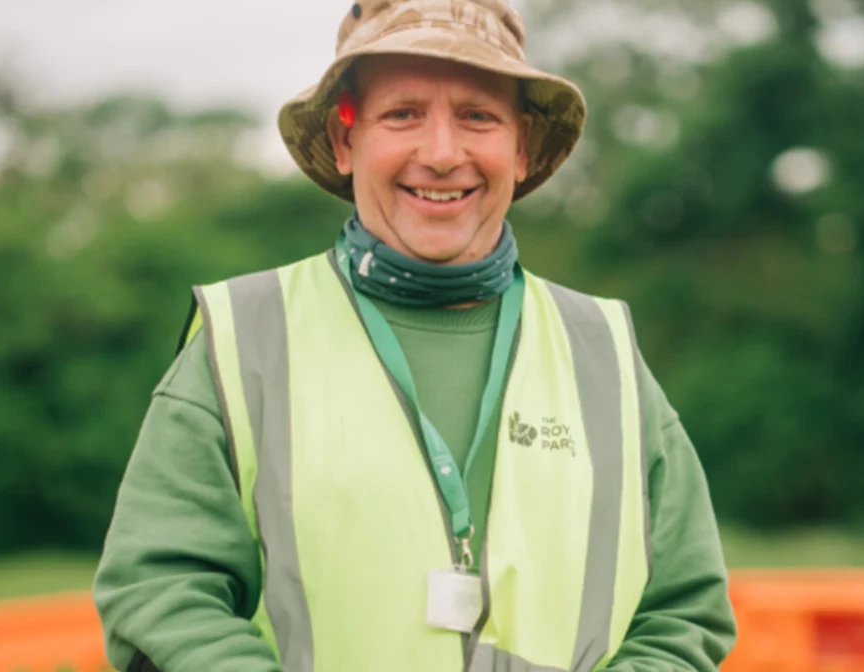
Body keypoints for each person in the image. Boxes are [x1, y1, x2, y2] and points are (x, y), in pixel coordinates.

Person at [90, 0, 737, 670]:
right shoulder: (242, 339)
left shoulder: (604, 351)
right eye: (402, 113)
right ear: (347, 141)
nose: (441, 153)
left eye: (477, 116)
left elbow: (683, 615)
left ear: (519, 146)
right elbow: (161, 593)